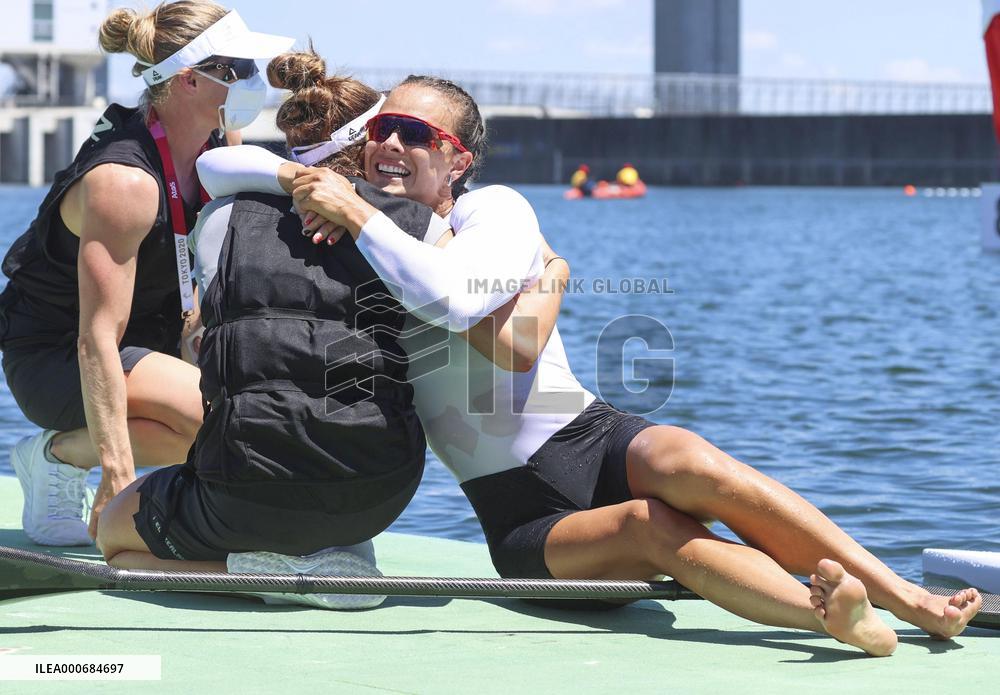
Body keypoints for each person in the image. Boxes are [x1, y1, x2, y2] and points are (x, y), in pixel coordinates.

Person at [198, 72, 982, 653]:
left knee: (690, 456)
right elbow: (212, 173)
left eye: (417, 134)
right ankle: (834, 618)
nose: (393, 144)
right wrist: (307, 181)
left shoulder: (491, 211)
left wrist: (357, 210)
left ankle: (907, 598)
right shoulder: (354, 231)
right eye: (383, 129)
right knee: (650, 525)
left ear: (459, 159)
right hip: (521, 512)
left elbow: (460, 302)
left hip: (590, 433)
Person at [94, 52, 453, 611]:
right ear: (369, 146)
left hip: (244, 491)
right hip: (381, 490)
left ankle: (268, 574)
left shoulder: (219, 219)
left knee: (115, 540)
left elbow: (205, 337)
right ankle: (334, 557)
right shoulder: (424, 229)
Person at [0, 2, 293, 547]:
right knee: (226, 419)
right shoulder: (124, 182)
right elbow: (96, 339)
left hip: (146, 339)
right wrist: (117, 474)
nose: (256, 81)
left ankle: (66, 453)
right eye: (240, 69)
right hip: (59, 356)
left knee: (245, 412)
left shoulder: (217, 144)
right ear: (189, 79)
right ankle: (63, 457)